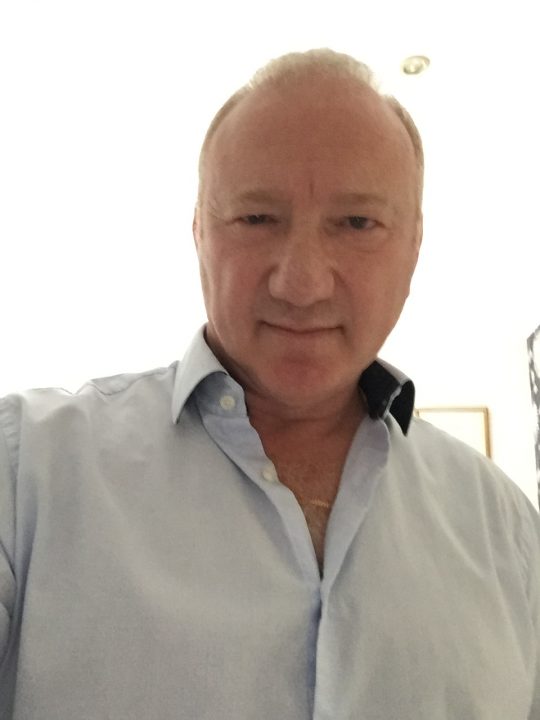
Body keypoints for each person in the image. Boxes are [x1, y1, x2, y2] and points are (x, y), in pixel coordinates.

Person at [0, 48, 539, 719]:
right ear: (200, 232)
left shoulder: (510, 533)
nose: (302, 283)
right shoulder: (26, 477)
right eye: (256, 219)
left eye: (357, 223)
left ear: (414, 246)